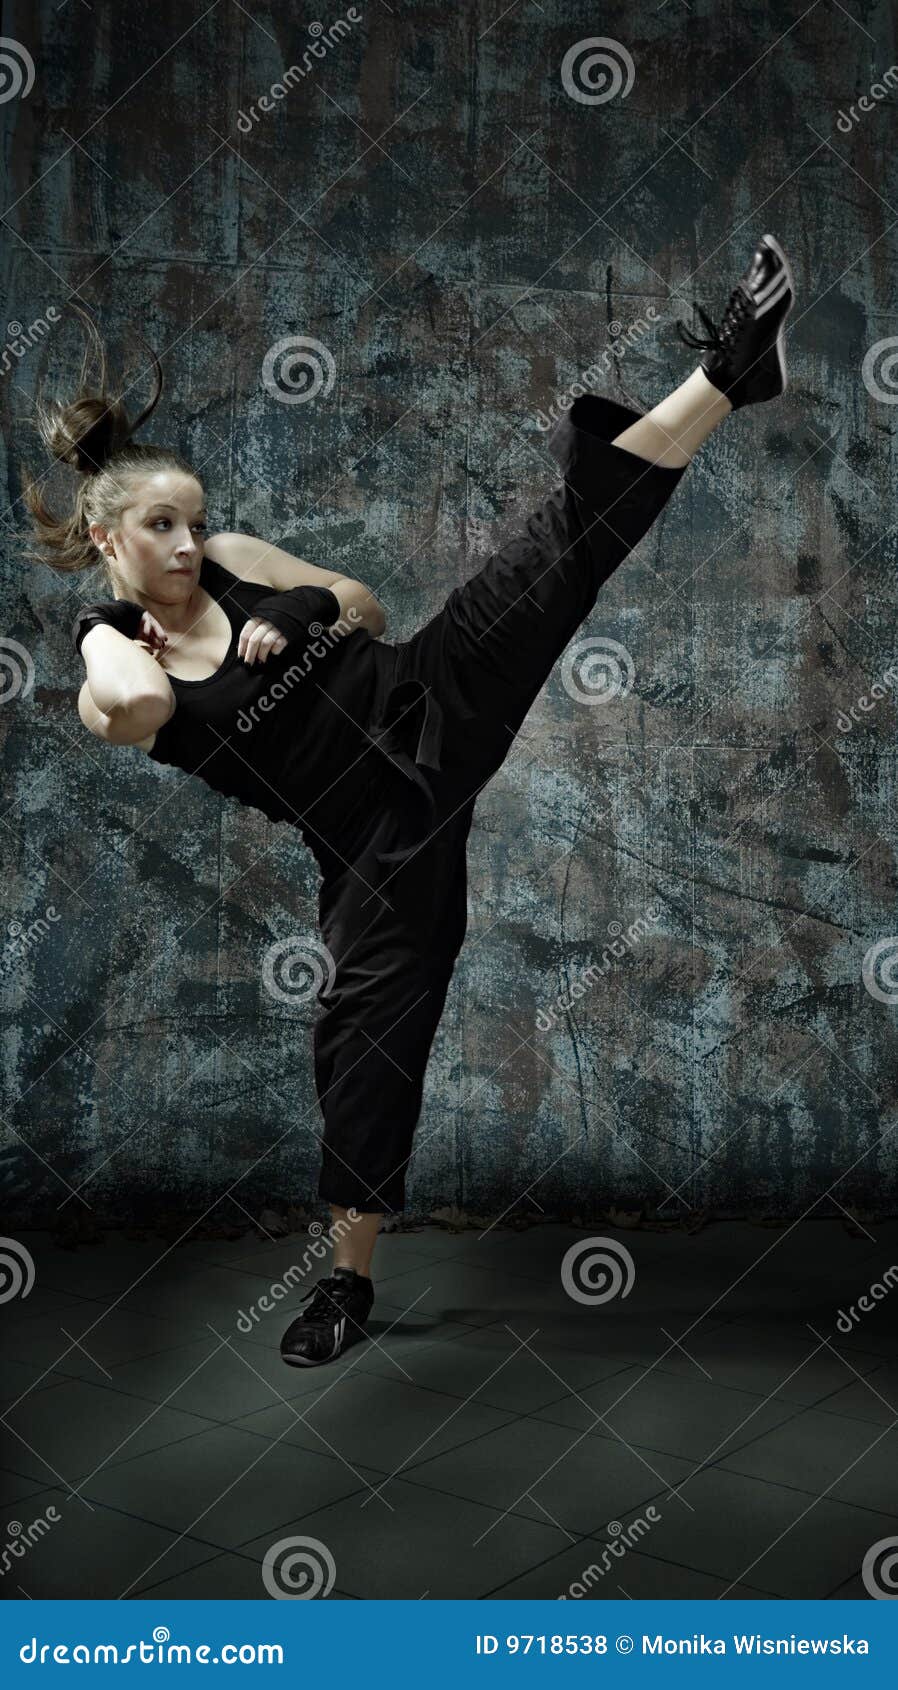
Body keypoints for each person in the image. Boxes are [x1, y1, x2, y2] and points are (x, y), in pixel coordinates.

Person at [24, 236, 794, 1367]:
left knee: (554, 549)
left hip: (426, 695)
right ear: (106, 538)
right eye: (161, 529)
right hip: (377, 840)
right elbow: (137, 706)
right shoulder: (107, 673)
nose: (189, 542)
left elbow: (367, 603)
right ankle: (346, 1281)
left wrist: (294, 606)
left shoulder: (231, 556)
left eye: (192, 519)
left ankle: (728, 373)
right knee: (366, 1049)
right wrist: (103, 626)